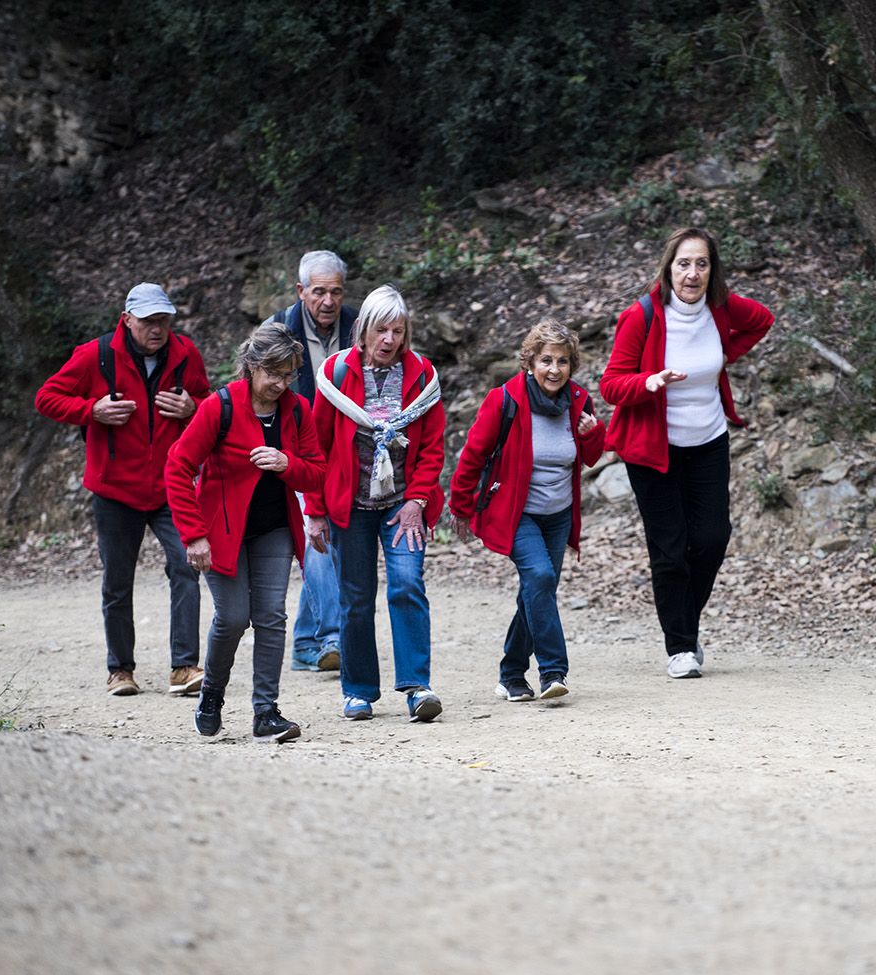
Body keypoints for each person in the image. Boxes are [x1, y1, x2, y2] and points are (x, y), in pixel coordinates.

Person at [597, 226, 774, 679]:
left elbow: (762, 320)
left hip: (709, 440)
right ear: (668, 267)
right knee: (670, 549)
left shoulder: (719, 310)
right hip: (653, 449)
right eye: (683, 263)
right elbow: (612, 385)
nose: (692, 273)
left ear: (712, 271)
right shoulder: (642, 316)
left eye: (701, 264)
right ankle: (680, 646)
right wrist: (648, 382)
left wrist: (723, 347)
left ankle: (684, 622)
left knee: (713, 537)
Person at [35, 282, 212, 698]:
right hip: (115, 489)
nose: (158, 329)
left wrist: (192, 408)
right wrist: (90, 410)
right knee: (118, 581)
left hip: (172, 486)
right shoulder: (95, 356)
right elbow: (46, 397)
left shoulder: (185, 354)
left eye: (164, 321)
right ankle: (120, 670)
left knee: (186, 566)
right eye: (149, 321)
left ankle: (185, 666)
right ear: (127, 319)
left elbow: (210, 402)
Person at [165, 324, 326, 742]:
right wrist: (193, 535)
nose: (281, 383)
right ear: (252, 366)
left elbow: (317, 472)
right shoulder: (220, 407)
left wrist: (285, 462)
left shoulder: (296, 410)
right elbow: (178, 467)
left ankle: (266, 712)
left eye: (289, 374)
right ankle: (212, 695)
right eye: (274, 373)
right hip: (222, 532)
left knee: (271, 617)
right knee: (233, 617)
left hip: (274, 528)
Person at [305, 284, 447, 723]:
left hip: (403, 504)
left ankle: (417, 687)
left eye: (398, 331)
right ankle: (359, 691)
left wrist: (418, 500)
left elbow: (433, 447)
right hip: (351, 506)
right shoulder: (335, 374)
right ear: (363, 331)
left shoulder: (422, 375)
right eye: (381, 330)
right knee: (355, 597)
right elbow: (316, 447)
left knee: (407, 584)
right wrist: (315, 511)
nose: (390, 340)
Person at [450, 319, 606, 703]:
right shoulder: (505, 400)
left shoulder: (579, 401)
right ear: (530, 363)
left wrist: (592, 433)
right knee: (538, 575)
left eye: (563, 362)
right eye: (546, 361)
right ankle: (554, 670)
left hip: (559, 514)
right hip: (518, 513)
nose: (554, 370)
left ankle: (510, 673)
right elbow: (473, 455)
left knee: (537, 589)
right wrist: (461, 506)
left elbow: (589, 458)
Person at [270, 250, 359, 674]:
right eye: (319, 291)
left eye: (336, 292)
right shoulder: (277, 329)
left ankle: (306, 643)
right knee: (317, 541)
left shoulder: (359, 326)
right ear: (301, 291)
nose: (328, 301)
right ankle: (333, 637)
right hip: (298, 450)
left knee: (333, 542)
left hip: (348, 450)